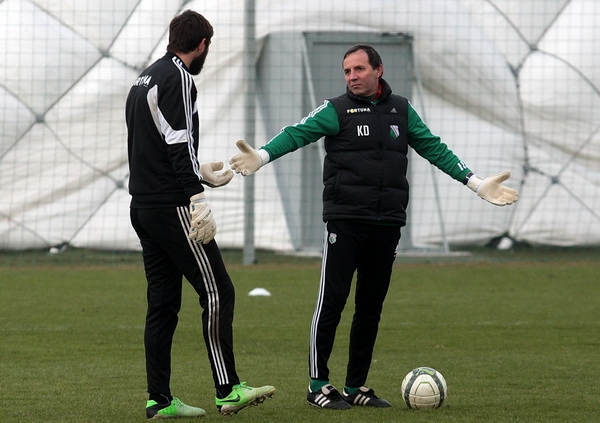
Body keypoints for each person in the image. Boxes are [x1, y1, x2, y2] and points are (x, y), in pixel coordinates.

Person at [229, 44, 518, 410]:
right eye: (347, 71)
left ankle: (355, 386)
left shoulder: (401, 110)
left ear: (378, 70)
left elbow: (435, 148)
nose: (352, 77)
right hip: (345, 220)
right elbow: (297, 132)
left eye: (359, 69)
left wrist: (476, 183)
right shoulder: (336, 110)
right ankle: (318, 384)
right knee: (331, 301)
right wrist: (263, 155)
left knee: (370, 306)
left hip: (388, 222)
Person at [125, 10, 275, 419]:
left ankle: (159, 400)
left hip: (144, 206)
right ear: (203, 45)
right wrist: (196, 197)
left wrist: (199, 172)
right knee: (217, 291)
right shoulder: (180, 79)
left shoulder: (144, 78)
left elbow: (153, 146)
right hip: (172, 207)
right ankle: (227, 390)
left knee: (162, 304)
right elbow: (176, 140)